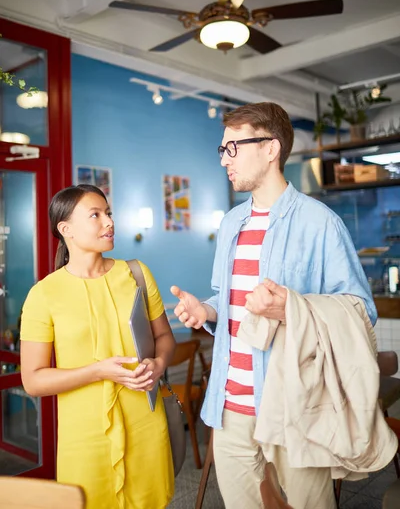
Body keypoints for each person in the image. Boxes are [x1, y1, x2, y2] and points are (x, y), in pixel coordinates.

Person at [171, 102, 377, 509]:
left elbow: (360, 309)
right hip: (231, 404)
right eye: (221, 150)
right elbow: (226, 298)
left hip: (295, 404)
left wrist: (293, 308)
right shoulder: (231, 224)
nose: (224, 161)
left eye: (233, 148)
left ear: (270, 148)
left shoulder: (321, 223)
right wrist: (206, 311)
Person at [20, 184, 175, 509]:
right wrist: (98, 371)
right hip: (84, 436)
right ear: (66, 229)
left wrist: (158, 365)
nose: (109, 222)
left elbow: (164, 338)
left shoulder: (136, 274)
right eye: (96, 215)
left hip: (145, 423)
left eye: (108, 213)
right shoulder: (44, 294)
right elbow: (33, 380)